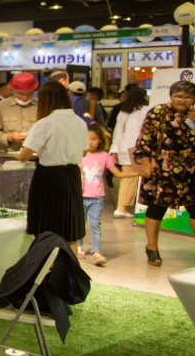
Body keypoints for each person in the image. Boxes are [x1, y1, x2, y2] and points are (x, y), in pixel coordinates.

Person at [20, 80, 88, 255]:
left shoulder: (44, 123)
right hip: (72, 175)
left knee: (45, 229)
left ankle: (46, 269)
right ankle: (70, 271)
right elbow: (84, 151)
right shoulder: (80, 122)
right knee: (69, 231)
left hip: (48, 178)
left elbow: (24, 155)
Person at [132, 79, 195, 267]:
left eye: (188, 97)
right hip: (163, 169)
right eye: (178, 96)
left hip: (191, 170)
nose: (183, 100)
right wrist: (145, 163)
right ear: (171, 96)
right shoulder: (158, 112)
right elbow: (144, 140)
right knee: (157, 207)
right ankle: (151, 247)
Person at [79, 124, 123, 267]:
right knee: (79, 223)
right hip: (79, 196)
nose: (90, 142)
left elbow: (118, 173)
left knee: (95, 224)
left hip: (97, 198)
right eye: (87, 138)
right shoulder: (78, 155)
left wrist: (138, 172)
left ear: (100, 140)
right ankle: (78, 247)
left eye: (94, 139)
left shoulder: (105, 156)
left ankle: (96, 251)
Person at [110, 84, 149, 218]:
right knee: (141, 179)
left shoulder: (124, 111)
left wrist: (114, 149)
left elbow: (117, 131)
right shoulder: (147, 110)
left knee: (127, 179)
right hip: (141, 149)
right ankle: (127, 208)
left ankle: (122, 207)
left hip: (124, 148)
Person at [0, 71, 38, 154]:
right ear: (13, 91)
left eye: (29, 94)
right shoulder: (1, 106)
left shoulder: (41, 106)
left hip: (35, 155)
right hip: (7, 155)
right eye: (21, 94)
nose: (25, 97)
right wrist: (9, 137)